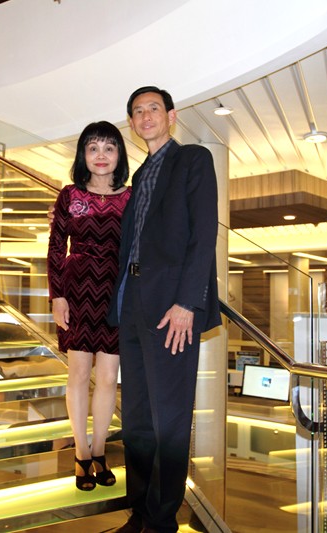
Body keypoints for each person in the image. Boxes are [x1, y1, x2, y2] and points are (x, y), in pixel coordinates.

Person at [107, 86, 221, 533]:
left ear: (171, 116)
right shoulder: (138, 177)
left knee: (169, 418)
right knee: (136, 418)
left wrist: (187, 302)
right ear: (132, 123)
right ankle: (140, 511)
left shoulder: (192, 159)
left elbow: (203, 234)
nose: (146, 116)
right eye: (137, 111)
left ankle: (161, 520)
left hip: (172, 306)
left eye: (153, 108)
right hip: (132, 303)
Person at [47, 121, 131, 491]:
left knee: (109, 378)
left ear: (119, 155)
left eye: (109, 147)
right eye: (93, 147)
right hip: (76, 289)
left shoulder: (132, 197)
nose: (101, 155)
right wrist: (57, 296)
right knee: (79, 374)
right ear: (83, 154)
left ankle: (100, 450)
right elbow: (55, 248)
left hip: (116, 292)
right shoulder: (69, 195)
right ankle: (81, 452)